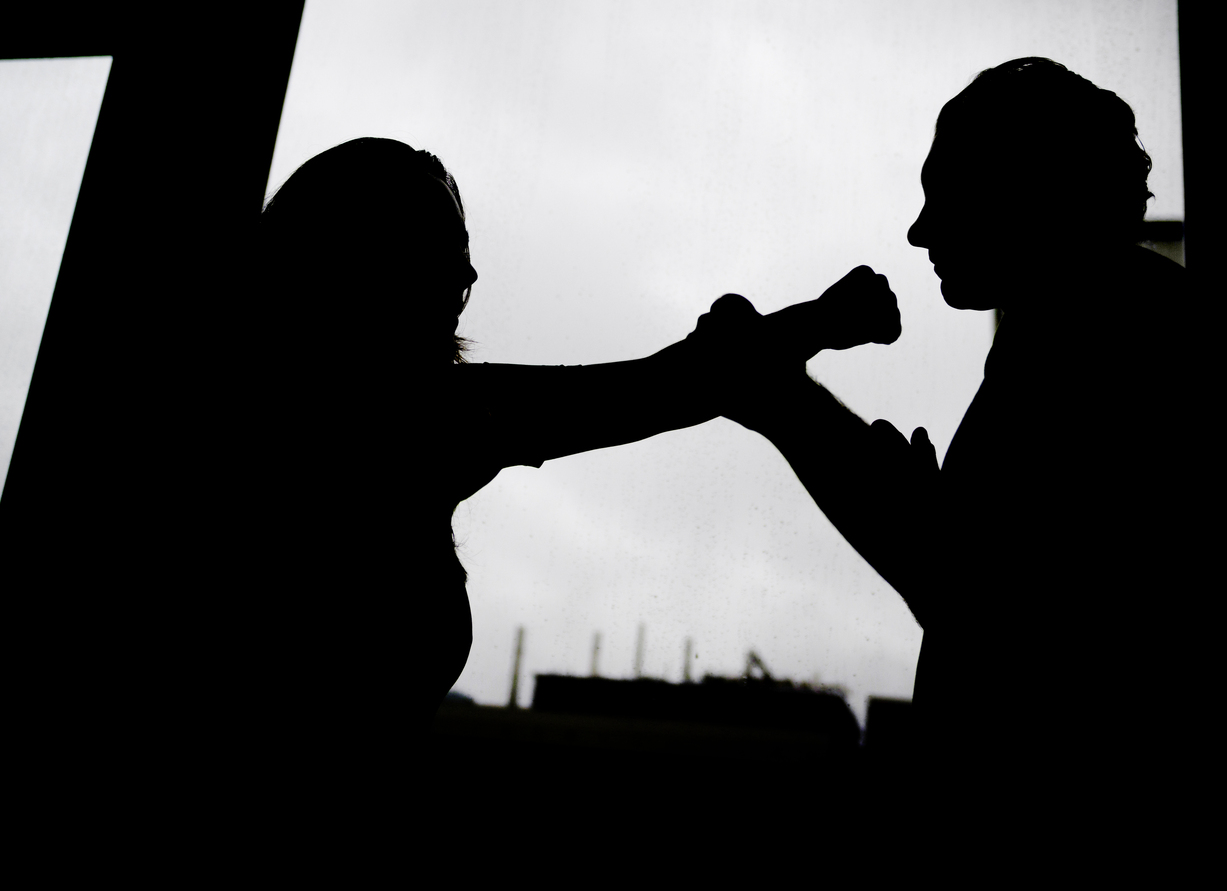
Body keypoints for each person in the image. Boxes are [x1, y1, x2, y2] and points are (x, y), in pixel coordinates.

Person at [240, 138, 900, 790]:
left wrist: (783, 335)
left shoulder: (328, 416)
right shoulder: (405, 418)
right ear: (360, 263)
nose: (467, 278)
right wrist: (815, 322)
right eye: (442, 254)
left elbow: (668, 383)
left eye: (465, 258)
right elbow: (654, 390)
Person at [700, 58, 1219, 797]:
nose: (919, 230)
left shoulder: (1103, 338)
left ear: (1022, 192)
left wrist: (784, 404)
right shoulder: (1103, 326)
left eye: (944, 195)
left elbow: (979, 599)